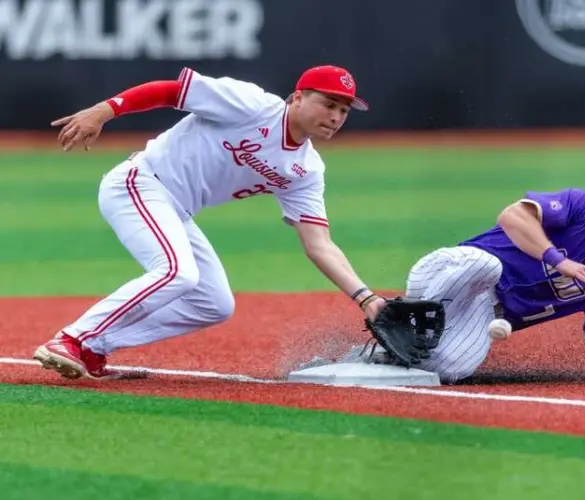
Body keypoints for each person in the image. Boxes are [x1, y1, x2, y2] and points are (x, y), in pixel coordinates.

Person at [33, 64, 388, 380]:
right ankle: (72, 339)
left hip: (176, 209)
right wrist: (105, 110)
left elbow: (319, 244)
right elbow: (171, 91)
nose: (336, 116)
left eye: (343, 110)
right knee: (178, 272)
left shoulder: (306, 170)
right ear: (297, 97)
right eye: (328, 104)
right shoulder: (253, 106)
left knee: (214, 303)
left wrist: (366, 298)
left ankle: (95, 347)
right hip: (140, 183)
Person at [360, 183, 585, 384]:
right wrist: (559, 260)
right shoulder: (583, 207)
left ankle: (384, 354)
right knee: (486, 265)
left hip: (486, 313)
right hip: (455, 273)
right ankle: (401, 315)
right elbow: (513, 215)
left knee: (453, 368)